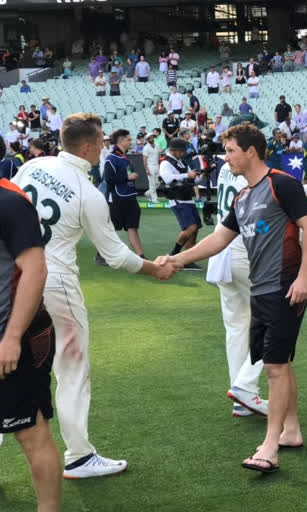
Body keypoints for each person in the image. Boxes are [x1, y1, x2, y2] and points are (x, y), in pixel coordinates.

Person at [12, 113, 175, 479]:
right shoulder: (88, 193)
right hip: (55, 284)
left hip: (13, 277)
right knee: (71, 369)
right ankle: (80, 456)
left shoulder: (33, 165)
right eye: (100, 140)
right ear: (87, 146)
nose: (103, 146)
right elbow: (115, 255)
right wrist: (155, 269)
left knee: (8, 367)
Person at [162, 123, 307, 474]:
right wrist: (177, 259)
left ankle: (269, 445)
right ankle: (291, 430)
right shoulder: (243, 196)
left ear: (251, 151)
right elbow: (218, 239)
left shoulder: (282, 184)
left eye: (231, 150)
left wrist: (304, 277)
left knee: (276, 368)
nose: (226, 158)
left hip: (284, 286)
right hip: (259, 289)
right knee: (281, 362)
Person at [0, 177, 61, 511]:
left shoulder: (10, 202)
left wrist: (11, 337)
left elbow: (36, 270)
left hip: (16, 339)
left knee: (31, 433)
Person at [159, 138, 204, 268]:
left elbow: (192, 181)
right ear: (173, 150)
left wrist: (203, 176)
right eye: (181, 151)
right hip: (177, 199)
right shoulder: (165, 163)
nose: (183, 153)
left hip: (187, 198)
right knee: (191, 228)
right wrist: (187, 176)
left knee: (194, 230)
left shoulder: (182, 162)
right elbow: (167, 179)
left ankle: (188, 260)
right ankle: (174, 254)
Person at [103, 130, 144, 257]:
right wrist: (128, 177)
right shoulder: (111, 158)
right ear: (121, 141)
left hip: (130, 196)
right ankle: (101, 255)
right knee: (113, 229)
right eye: (129, 140)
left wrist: (130, 178)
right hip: (117, 198)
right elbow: (109, 180)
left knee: (133, 226)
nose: (131, 142)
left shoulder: (124, 157)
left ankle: (140, 255)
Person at [142, 133, 161, 202]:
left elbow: (159, 155)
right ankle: (154, 199)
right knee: (152, 183)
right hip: (150, 166)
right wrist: (146, 169)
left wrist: (159, 164)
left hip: (157, 165)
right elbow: (144, 159)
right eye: (150, 137)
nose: (152, 138)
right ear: (147, 139)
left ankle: (148, 193)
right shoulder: (146, 148)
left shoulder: (157, 145)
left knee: (158, 182)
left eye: (152, 137)